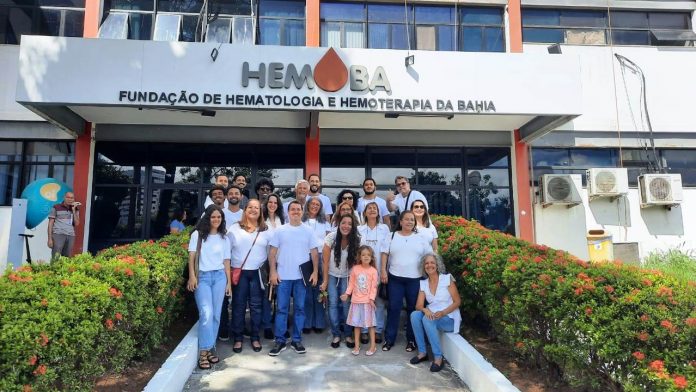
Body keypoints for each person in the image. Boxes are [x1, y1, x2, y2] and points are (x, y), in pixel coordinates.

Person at [268, 200, 320, 356]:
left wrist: (315, 271)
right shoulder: (280, 231)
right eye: (293, 209)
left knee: (299, 309)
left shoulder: (308, 231)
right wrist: (272, 272)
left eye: (298, 209)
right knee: (282, 310)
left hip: (301, 278)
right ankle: (280, 341)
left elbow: (314, 253)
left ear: (302, 211)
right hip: (283, 276)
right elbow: (272, 253)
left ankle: (297, 340)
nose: (296, 212)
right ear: (288, 212)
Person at [186, 205, 232, 370]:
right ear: (207, 218)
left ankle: (210, 347)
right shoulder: (198, 235)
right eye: (213, 217)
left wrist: (228, 283)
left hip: (219, 277)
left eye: (219, 217)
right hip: (203, 277)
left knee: (216, 315)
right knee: (206, 313)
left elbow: (227, 261)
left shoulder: (224, 238)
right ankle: (204, 352)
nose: (216, 220)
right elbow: (191, 257)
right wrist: (192, 276)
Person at [381, 211, 430, 352]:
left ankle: (411, 340)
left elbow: (429, 256)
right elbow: (384, 253)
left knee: (413, 311)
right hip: (395, 279)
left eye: (412, 220)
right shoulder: (391, 236)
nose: (410, 222)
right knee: (393, 308)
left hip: (415, 280)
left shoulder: (420, 238)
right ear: (400, 222)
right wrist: (383, 270)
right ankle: (389, 340)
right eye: (407, 219)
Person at [228, 199, 272, 353]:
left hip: (258, 273)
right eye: (250, 207)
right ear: (245, 209)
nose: (254, 210)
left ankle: (255, 337)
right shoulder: (234, 228)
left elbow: (271, 252)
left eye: (257, 208)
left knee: (256, 307)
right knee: (238, 306)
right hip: (239, 273)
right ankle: (238, 338)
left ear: (260, 212)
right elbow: (226, 252)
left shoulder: (266, 229)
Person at [410, 253, 462, 372]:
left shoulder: (447, 278)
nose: (429, 265)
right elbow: (418, 305)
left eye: (432, 263)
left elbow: (457, 301)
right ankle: (423, 352)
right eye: (427, 263)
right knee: (414, 315)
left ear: (437, 265)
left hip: (449, 318)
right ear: (424, 267)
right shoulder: (423, 283)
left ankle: (438, 358)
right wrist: (425, 309)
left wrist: (443, 312)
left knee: (426, 319)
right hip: (433, 316)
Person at [320, 214, 360, 349]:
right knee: (332, 304)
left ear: (353, 225)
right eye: (344, 223)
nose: (346, 226)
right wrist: (325, 281)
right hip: (331, 275)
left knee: (346, 305)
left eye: (349, 223)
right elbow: (325, 262)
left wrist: (355, 283)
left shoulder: (357, 239)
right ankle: (336, 334)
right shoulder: (331, 237)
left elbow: (357, 264)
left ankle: (348, 334)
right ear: (339, 224)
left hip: (347, 276)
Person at [358, 201, 390, 343]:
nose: (372, 210)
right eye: (369, 208)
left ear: (378, 212)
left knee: (379, 302)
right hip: (363, 272)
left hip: (380, 271)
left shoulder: (384, 228)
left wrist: (384, 270)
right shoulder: (359, 229)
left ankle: (378, 330)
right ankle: (364, 330)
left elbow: (386, 250)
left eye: (375, 208)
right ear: (364, 213)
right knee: (364, 302)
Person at [341, 245, 379, 356]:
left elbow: (373, 287)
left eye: (368, 255)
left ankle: (373, 346)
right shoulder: (355, 269)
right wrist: (346, 294)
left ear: (372, 257)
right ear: (360, 257)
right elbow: (351, 284)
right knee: (356, 325)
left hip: (368, 302)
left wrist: (372, 299)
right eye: (363, 255)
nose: (366, 257)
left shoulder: (373, 271)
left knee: (371, 325)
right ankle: (357, 346)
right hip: (356, 301)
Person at [302, 197, 330, 334]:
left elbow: (329, 241)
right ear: (307, 205)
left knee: (320, 290)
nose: (314, 206)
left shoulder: (324, 222)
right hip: (305, 256)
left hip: (320, 256)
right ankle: (307, 323)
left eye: (317, 205)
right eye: (312, 204)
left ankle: (319, 322)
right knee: (306, 292)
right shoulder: (301, 221)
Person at [261, 193, 284, 340]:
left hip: (281, 261)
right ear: (266, 203)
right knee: (267, 296)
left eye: (275, 202)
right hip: (265, 261)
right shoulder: (262, 220)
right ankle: (267, 325)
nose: (272, 204)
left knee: (280, 295)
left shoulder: (281, 219)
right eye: (270, 202)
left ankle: (279, 324)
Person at [47, 191, 80, 259]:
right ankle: (53, 269)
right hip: (58, 234)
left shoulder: (75, 209)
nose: (70, 199)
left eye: (72, 198)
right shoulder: (56, 207)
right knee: (56, 256)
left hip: (70, 235)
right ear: (64, 198)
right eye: (68, 197)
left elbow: (77, 223)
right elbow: (50, 223)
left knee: (67, 258)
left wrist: (73, 210)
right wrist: (49, 238)